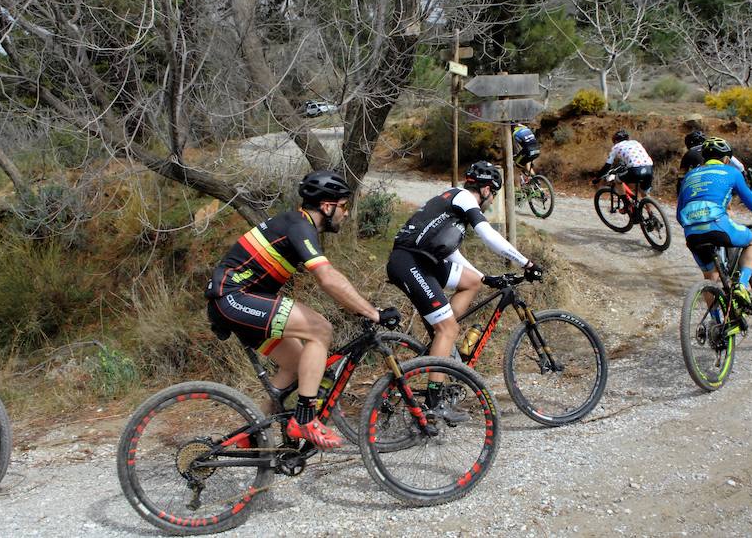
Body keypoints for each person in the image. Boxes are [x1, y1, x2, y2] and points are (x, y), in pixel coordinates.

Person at [205, 170, 400, 449]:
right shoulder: (299, 225)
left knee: (299, 366)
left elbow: (331, 280)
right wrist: (372, 312)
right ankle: (305, 420)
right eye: (344, 206)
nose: (346, 213)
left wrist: (360, 306)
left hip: (239, 299)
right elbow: (327, 278)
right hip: (234, 296)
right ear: (327, 206)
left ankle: (251, 434)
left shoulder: (297, 224)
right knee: (320, 329)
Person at [386, 161, 543, 422]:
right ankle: (435, 402)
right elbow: (488, 234)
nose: (491, 200)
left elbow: (450, 252)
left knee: (471, 283)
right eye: (492, 193)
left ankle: (442, 338)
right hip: (409, 262)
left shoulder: (452, 207)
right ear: (484, 188)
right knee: (448, 328)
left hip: (424, 261)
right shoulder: (463, 198)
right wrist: (526, 263)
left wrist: (484, 277)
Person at [677, 137, 752, 313]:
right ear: (725, 159)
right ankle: (741, 286)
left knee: (711, 278)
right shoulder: (731, 172)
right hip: (718, 225)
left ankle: (717, 326)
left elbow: (679, 215)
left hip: (691, 233)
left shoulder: (689, 177)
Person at [594, 129, 654, 197]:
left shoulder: (616, 147)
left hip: (635, 169)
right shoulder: (635, 142)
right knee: (644, 192)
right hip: (649, 168)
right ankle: (649, 205)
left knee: (617, 180)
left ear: (616, 140)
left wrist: (597, 177)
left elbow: (607, 166)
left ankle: (626, 203)